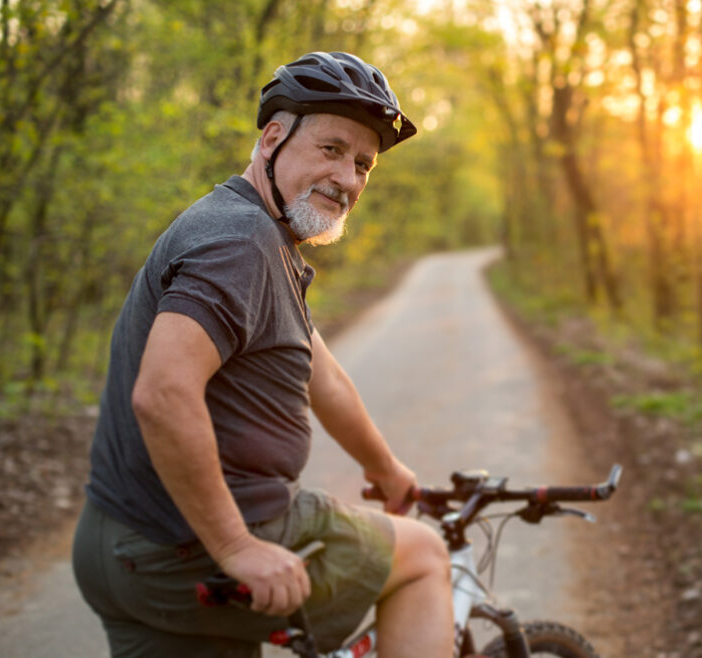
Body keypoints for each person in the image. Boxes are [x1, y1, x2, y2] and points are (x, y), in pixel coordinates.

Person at [72, 51, 454, 657]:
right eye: (331, 149)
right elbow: (163, 394)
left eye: (363, 164)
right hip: (190, 550)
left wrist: (385, 470)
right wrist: (235, 547)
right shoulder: (241, 243)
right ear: (274, 138)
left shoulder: (252, 233)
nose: (349, 179)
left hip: (119, 547)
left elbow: (319, 373)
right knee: (425, 556)